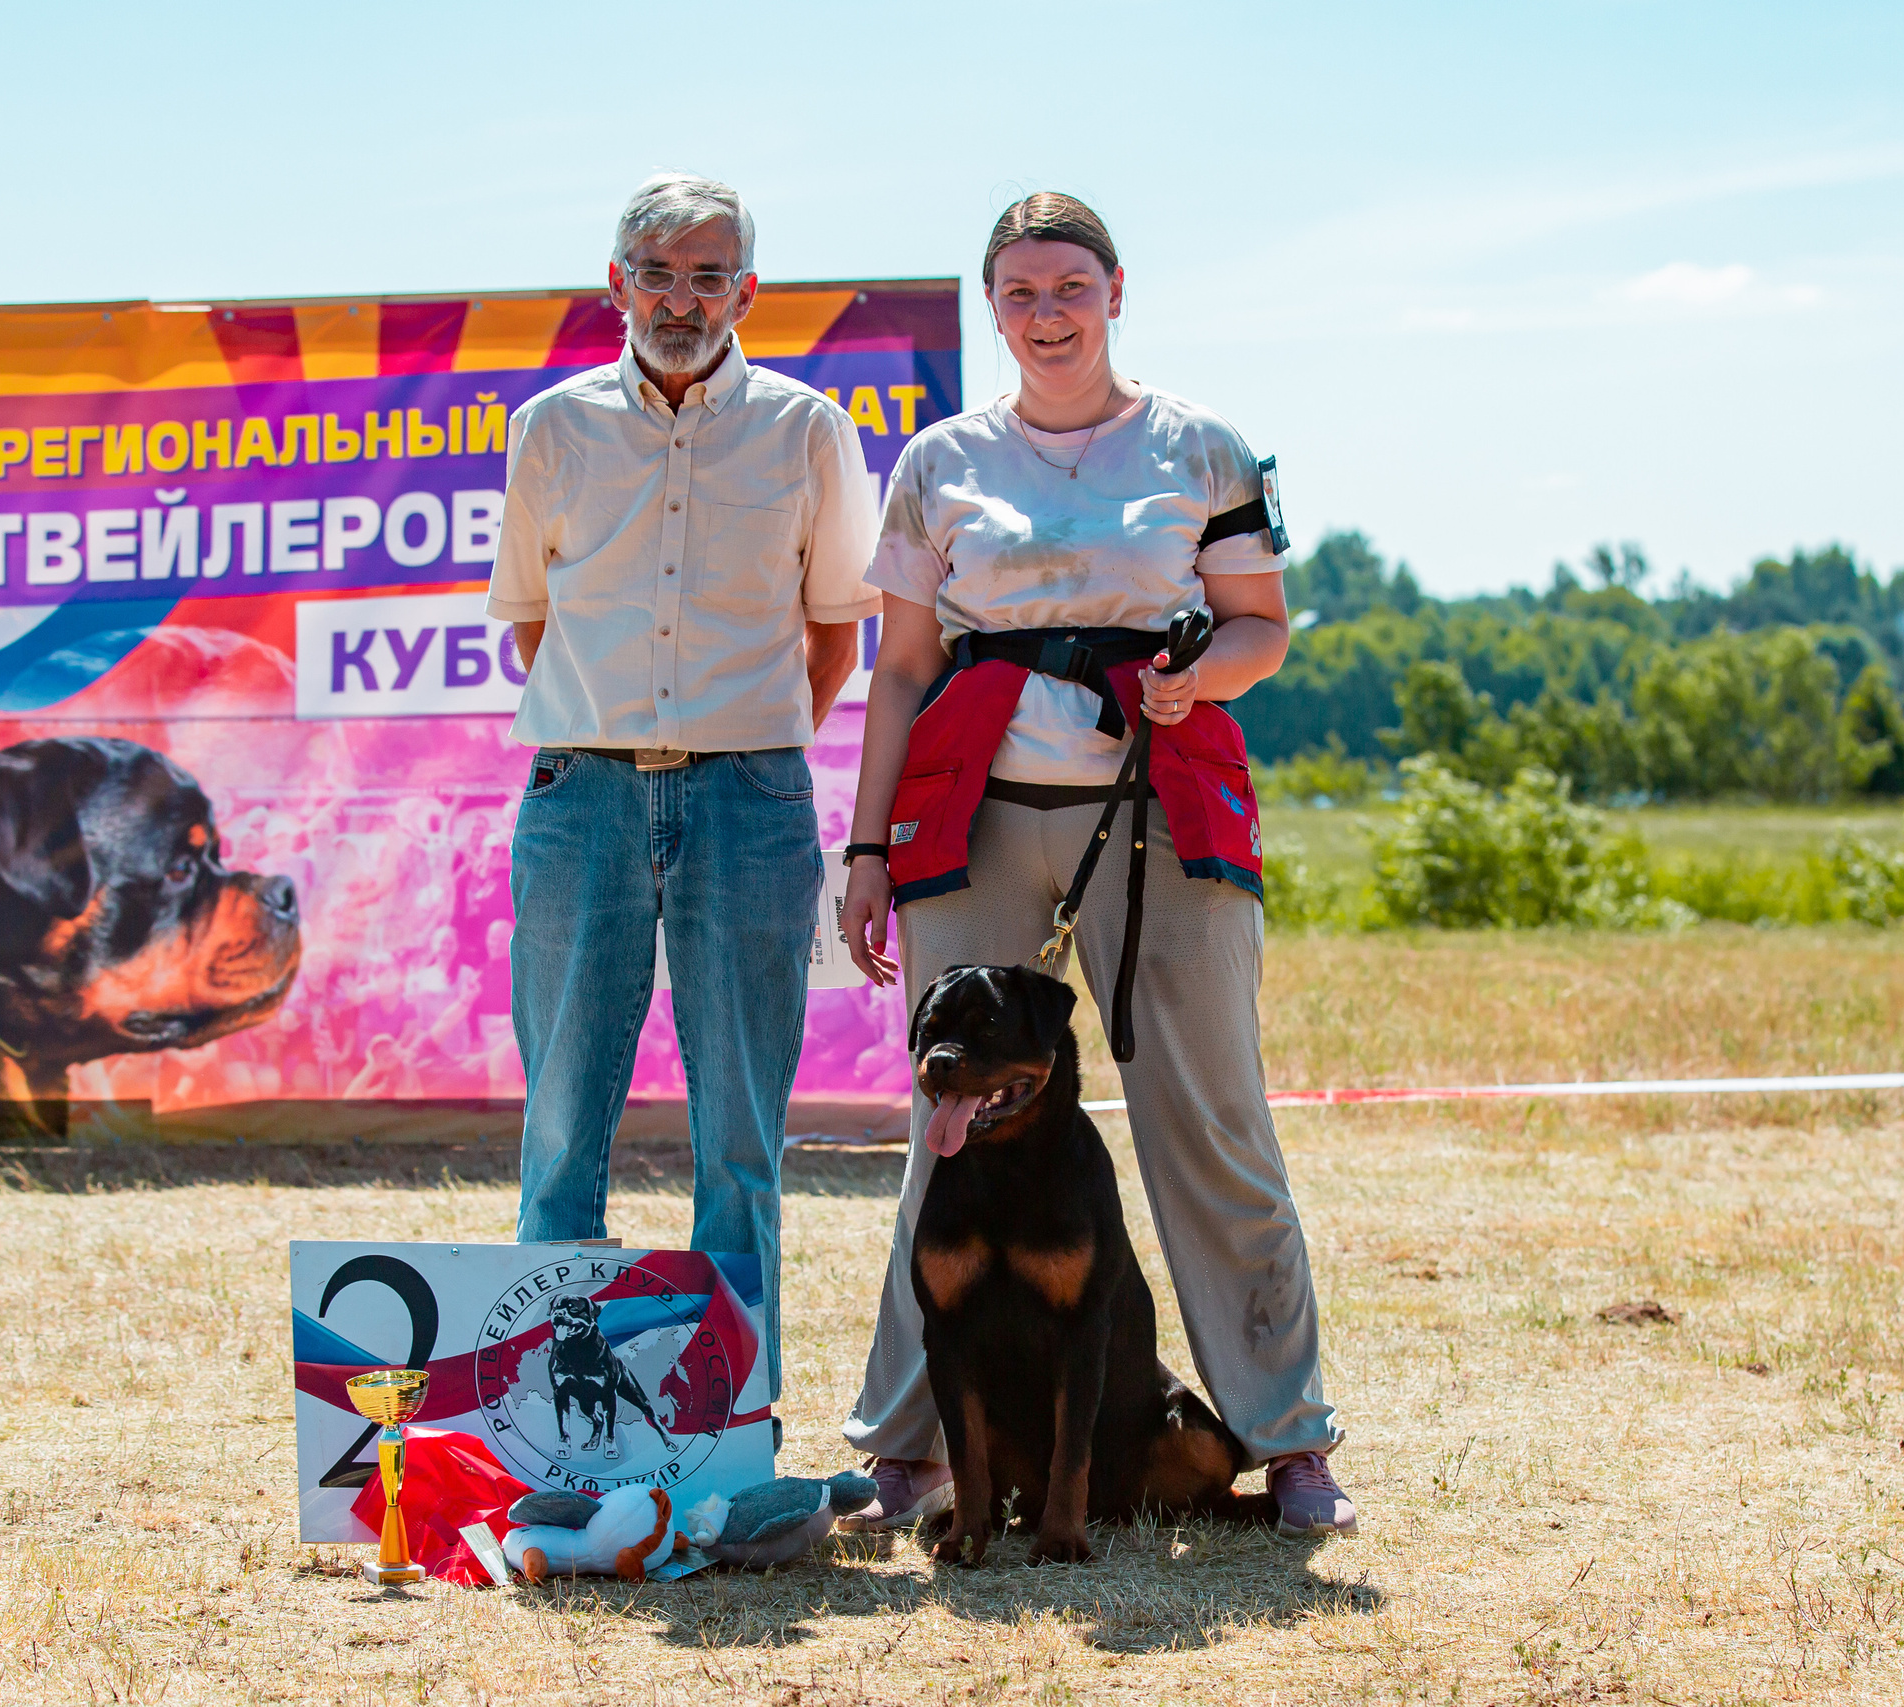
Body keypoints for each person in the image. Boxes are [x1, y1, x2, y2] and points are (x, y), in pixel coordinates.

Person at [834, 192, 1354, 1537]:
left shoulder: (1200, 444)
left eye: (1071, 285)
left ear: (1116, 291)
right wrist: (866, 844)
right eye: (1020, 292)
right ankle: (911, 1445)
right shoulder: (938, 459)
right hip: (973, 815)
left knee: (1212, 1121)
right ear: (992, 307)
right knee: (943, 1125)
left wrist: (1197, 683)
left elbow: (1260, 629)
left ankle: (1288, 1436)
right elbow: (901, 669)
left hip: (1156, 803)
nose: (1048, 311)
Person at [490, 173, 880, 1423]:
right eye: (657, 272)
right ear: (616, 283)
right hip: (581, 795)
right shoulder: (550, 429)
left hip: (749, 804)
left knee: (744, 1141)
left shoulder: (807, 431)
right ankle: (552, 1426)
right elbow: (535, 628)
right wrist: (624, 738)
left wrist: (740, 752)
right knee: (559, 1129)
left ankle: (730, 1429)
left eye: (710, 275)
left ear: (747, 292)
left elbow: (833, 639)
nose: (681, 298)